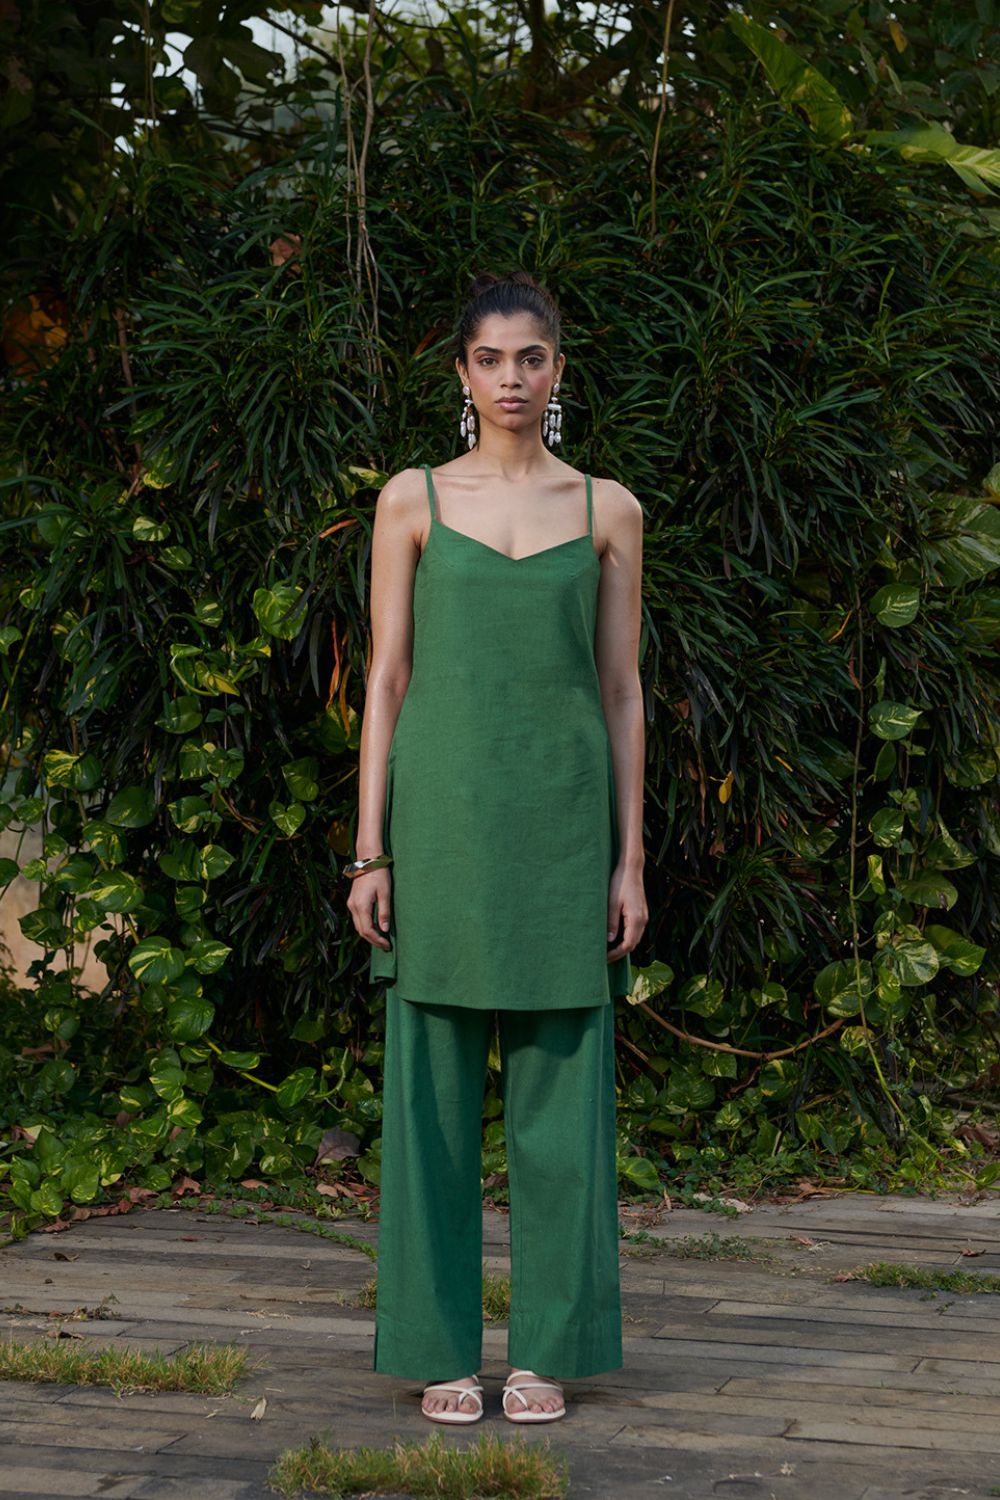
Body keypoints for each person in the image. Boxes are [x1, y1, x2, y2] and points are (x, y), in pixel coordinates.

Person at [345, 270, 647, 1426]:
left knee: (563, 1103)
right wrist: (369, 851)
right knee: (427, 1099)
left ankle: (547, 1354)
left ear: (557, 370)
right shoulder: (411, 500)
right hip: (441, 824)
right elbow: (386, 679)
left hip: (564, 827)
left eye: (531, 358)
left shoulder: (606, 510)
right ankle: (436, 1351)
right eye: (490, 359)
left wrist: (628, 859)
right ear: (462, 374)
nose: (511, 378)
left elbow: (621, 692)